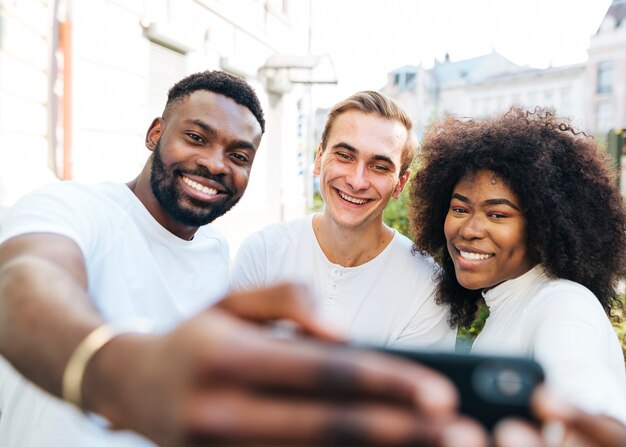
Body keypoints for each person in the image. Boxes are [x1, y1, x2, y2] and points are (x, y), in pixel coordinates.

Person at [0, 71, 488, 447]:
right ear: (155, 133)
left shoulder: (216, 256)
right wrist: (115, 372)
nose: (215, 162)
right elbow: (24, 279)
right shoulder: (72, 207)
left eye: (238, 154)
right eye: (196, 137)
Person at [409, 106, 626, 446]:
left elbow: (586, 405)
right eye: (460, 209)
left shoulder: (563, 304)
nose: (470, 229)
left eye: (497, 214)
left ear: (544, 226)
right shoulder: (511, 302)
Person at [230, 90, 456, 350]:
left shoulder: (427, 287)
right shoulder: (263, 252)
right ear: (319, 158)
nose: (356, 181)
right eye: (345, 156)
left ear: (400, 184)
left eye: (379, 166)